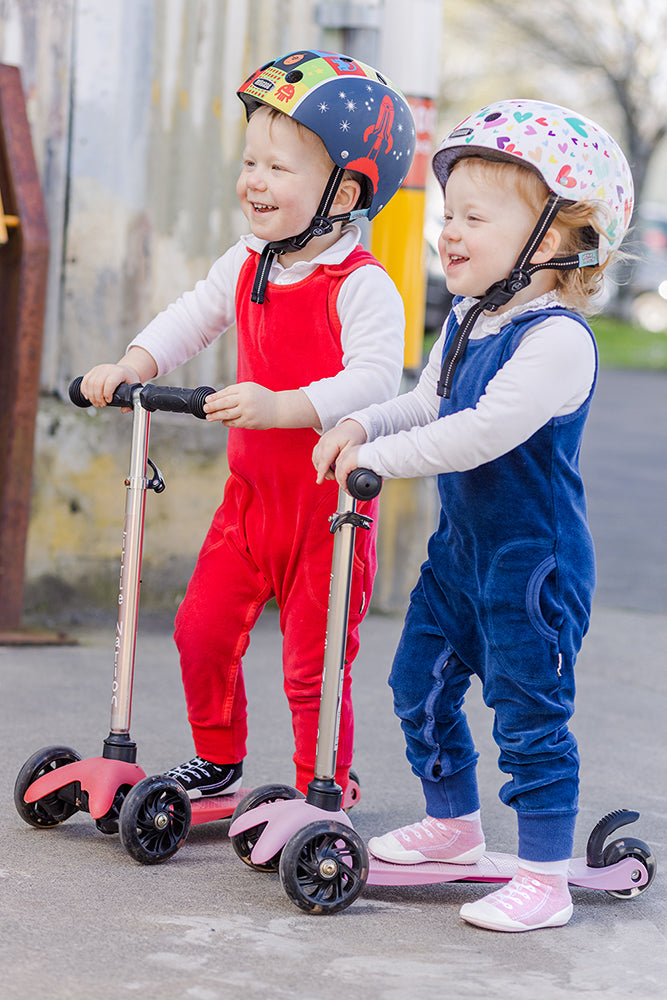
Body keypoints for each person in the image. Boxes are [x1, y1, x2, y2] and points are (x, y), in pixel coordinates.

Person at [313, 98, 633, 932]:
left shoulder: (556, 338)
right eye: (446, 214)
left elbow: (480, 433)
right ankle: (453, 826)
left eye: (473, 217)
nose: (447, 231)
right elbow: (426, 403)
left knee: (529, 716)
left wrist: (377, 461)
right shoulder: (466, 316)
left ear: (553, 241)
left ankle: (542, 877)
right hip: (461, 556)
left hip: (531, 565)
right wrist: (360, 424)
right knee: (416, 686)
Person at [81, 50, 415, 801]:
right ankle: (217, 758)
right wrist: (134, 362)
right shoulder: (250, 259)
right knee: (198, 632)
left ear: (346, 188)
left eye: (278, 168)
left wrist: (282, 405)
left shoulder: (362, 285)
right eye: (249, 163)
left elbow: (373, 380)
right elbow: (193, 316)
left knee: (312, 664)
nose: (254, 181)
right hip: (250, 504)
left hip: (328, 513)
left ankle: (320, 787)